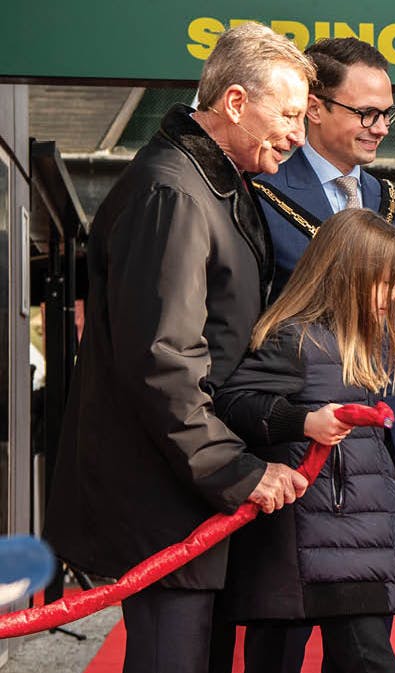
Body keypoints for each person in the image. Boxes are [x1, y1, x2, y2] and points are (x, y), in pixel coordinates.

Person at [41, 23, 314, 673]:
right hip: (169, 502)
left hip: (190, 498)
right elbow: (163, 359)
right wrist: (238, 470)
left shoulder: (208, 181)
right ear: (238, 103)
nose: (299, 134)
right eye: (291, 114)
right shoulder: (173, 189)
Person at [248, 37, 395, 668]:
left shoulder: (394, 203)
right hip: (292, 454)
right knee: (281, 640)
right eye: (364, 113)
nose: (378, 127)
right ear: (315, 108)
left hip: (374, 455)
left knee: (363, 643)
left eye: (387, 114)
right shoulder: (260, 187)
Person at [215, 209, 395, 673]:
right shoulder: (295, 339)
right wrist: (303, 421)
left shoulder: (366, 343)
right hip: (304, 546)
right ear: (345, 276)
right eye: (383, 282)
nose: (393, 297)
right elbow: (233, 403)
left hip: (356, 545)